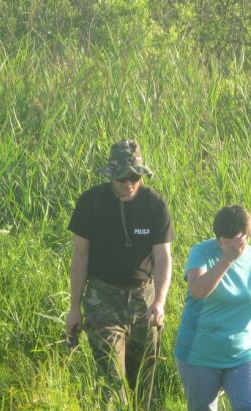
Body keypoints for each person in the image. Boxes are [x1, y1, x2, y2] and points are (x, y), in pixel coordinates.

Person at [66, 140, 174, 408]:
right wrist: (74, 308)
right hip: (103, 299)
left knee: (143, 384)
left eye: (135, 176)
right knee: (112, 382)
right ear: (111, 176)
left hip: (143, 300)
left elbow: (163, 258)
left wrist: (159, 302)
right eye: (122, 177)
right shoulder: (91, 202)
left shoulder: (155, 205)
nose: (129, 183)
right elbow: (80, 256)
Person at [174, 205, 251, 411]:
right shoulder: (201, 252)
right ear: (218, 238)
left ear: (247, 236)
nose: (232, 247)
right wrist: (227, 259)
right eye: (225, 242)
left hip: (243, 354)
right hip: (198, 355)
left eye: (237, 241)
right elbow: (198, 290)